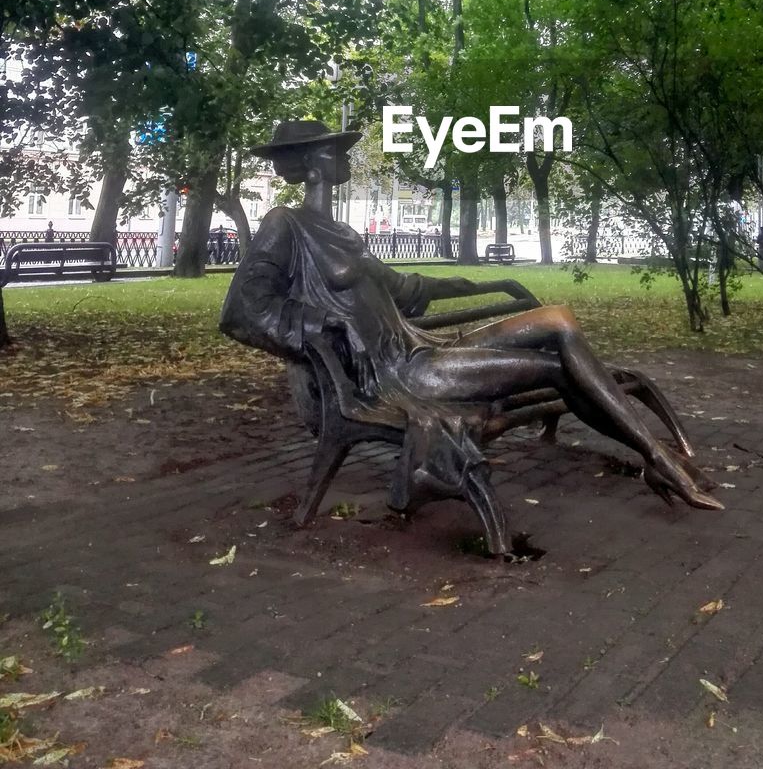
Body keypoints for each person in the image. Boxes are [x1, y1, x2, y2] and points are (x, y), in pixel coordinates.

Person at [220, 120, 720, 512]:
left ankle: (657, 458)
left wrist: (476, 283)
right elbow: (243, 310)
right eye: (333, 149)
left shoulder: (342, 232)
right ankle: (658, 458)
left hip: (423, 350)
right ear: (309, 164)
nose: (344, 156)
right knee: (560, 369)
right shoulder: (286, 224)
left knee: (558, 319)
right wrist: (319, 328)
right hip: (403, 375)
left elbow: (407, 288)